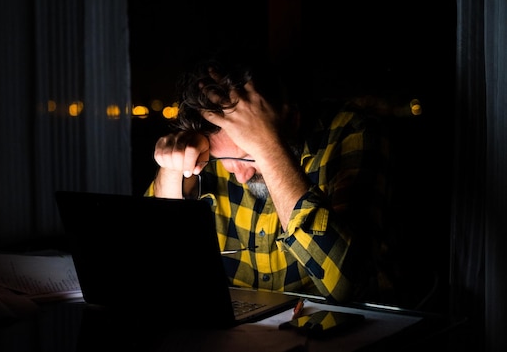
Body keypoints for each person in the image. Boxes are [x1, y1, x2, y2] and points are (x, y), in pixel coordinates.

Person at [144, 50, 392, 304]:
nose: (241, 176)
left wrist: (268, 148)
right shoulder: (207, 150)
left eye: (248, 156)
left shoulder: (351, 131)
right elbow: (152, 264)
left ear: (291, 120)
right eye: (226, 164)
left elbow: (350, 286)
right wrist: (173, 168)